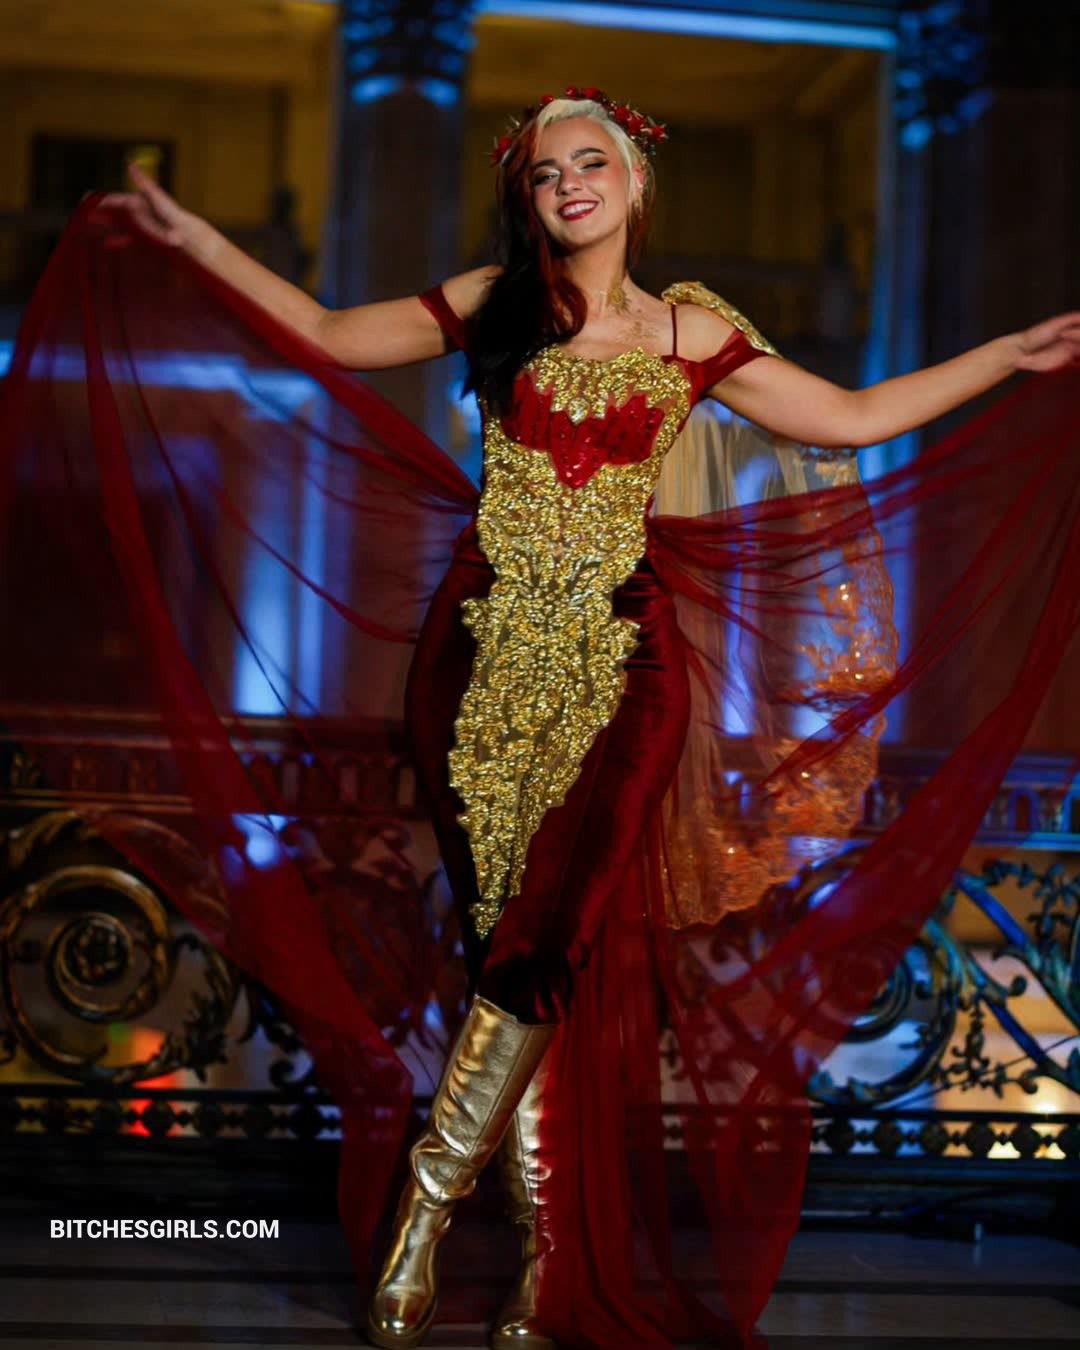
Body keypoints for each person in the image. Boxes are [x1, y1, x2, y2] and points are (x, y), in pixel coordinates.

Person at [4, 88, 1080, 1350]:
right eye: (544, 171)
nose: (568, 183)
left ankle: (422, 1216)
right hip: (474, 657)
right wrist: (193, 238)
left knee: (545, 940)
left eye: (590, 162)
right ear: (529, 199)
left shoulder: (689, 333)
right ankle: (541, 1261)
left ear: (635, 181)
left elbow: (850, 415)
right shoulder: (495, 301)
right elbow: (323, 331)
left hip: (630, 661)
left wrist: (1004, 356)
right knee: (508, 950)